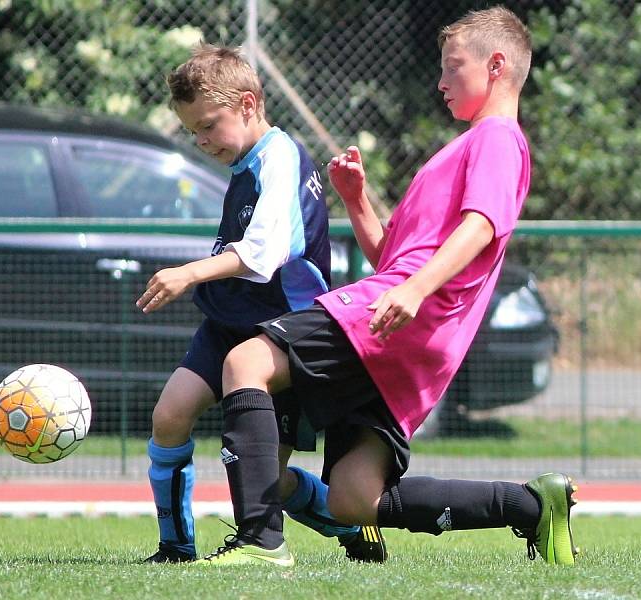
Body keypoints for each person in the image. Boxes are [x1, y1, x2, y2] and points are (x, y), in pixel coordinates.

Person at [197, 7, 578, 567]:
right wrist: (355, 200)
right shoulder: (463, 148)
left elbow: (481, 226)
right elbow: (390, 256)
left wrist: (417, 289)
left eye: (453, 68)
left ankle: (260, 542)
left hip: (395, 314)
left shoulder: (497, 138)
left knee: (246, 363)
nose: (441, 82)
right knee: (355, 497)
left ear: (496, 66)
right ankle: (528, 506)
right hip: (409, 326)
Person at [136, 44, 386, 565]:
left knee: (268, 477)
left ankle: (346, 523)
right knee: (169, 416)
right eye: (192, 132)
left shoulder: (281, 157)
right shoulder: (246, 161)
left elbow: (265, 254)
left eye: (209, 126)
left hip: (282, 331)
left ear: (249, 105)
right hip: (230, 320)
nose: (202, 141)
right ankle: (175, 547)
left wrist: (190, 272)